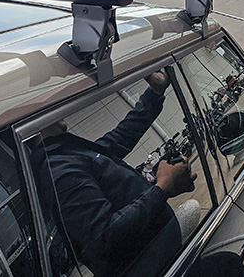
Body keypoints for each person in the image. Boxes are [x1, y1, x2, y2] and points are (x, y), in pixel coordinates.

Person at [30, 71, 198, 276]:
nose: (56, 102)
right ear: (33, 118)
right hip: (154, 267)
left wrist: (155, 92)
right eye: (46, 101)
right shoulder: (57, 170)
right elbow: (104, 238)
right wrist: (162, 188)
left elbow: (121, 136)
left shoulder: (66, 154)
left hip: (165, 257)